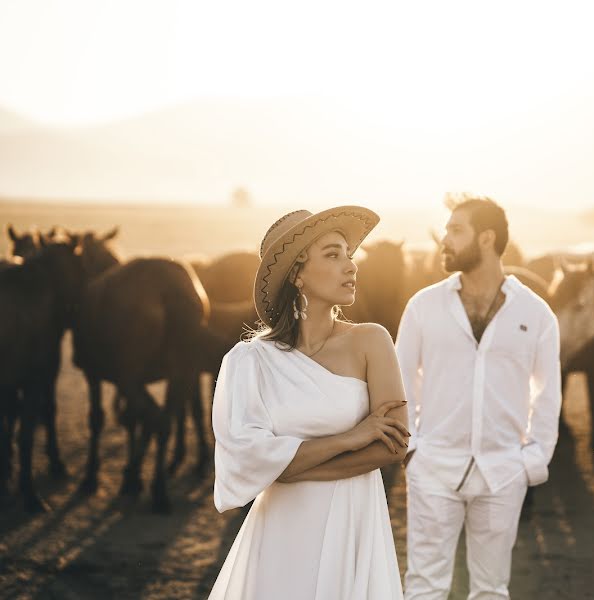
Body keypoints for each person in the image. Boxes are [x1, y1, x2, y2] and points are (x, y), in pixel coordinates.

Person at [209, 206, 409, 599]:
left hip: (353, 518)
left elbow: (394, 445)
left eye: (349, 255)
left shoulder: (371, 340)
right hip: (282, 527)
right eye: (333, 255)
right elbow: (246, 460)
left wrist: (286, 467)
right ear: (297, 274)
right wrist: (351, 438)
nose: (351, 266)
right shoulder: (250, 361)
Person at [397, 196, 562, 599]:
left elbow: (547, 392)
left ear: (486, 238)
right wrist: (411, 449)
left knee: (491, 589)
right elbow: (400, 383)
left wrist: (531, 462)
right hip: (433, 468)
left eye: (456, 231)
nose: (445, 241)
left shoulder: (536, 313)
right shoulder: (423, 306)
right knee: (424, 587)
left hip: (504, 471)